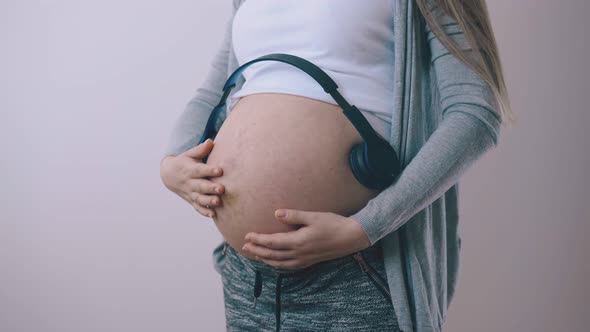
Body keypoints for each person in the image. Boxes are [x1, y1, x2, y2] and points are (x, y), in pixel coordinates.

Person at [159, 0, 513, 331]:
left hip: (358, 268)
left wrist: (363, 229)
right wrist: (172, 164)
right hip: (249, 279)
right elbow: (215, 90)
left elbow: (475, 112)